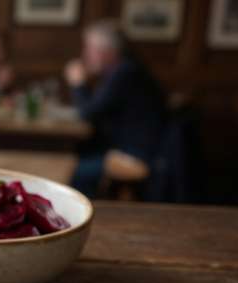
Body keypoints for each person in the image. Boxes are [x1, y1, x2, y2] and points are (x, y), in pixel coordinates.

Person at [65, 20, 166, 197]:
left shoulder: (124, 73)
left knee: (71, 172)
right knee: (77, 156)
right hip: (128, 148)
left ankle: (90, 215)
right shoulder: (123, 70)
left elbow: (88, 113)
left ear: (107, 52)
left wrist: (78, 83)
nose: (85, 55)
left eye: (90, 49)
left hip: (136, 155)